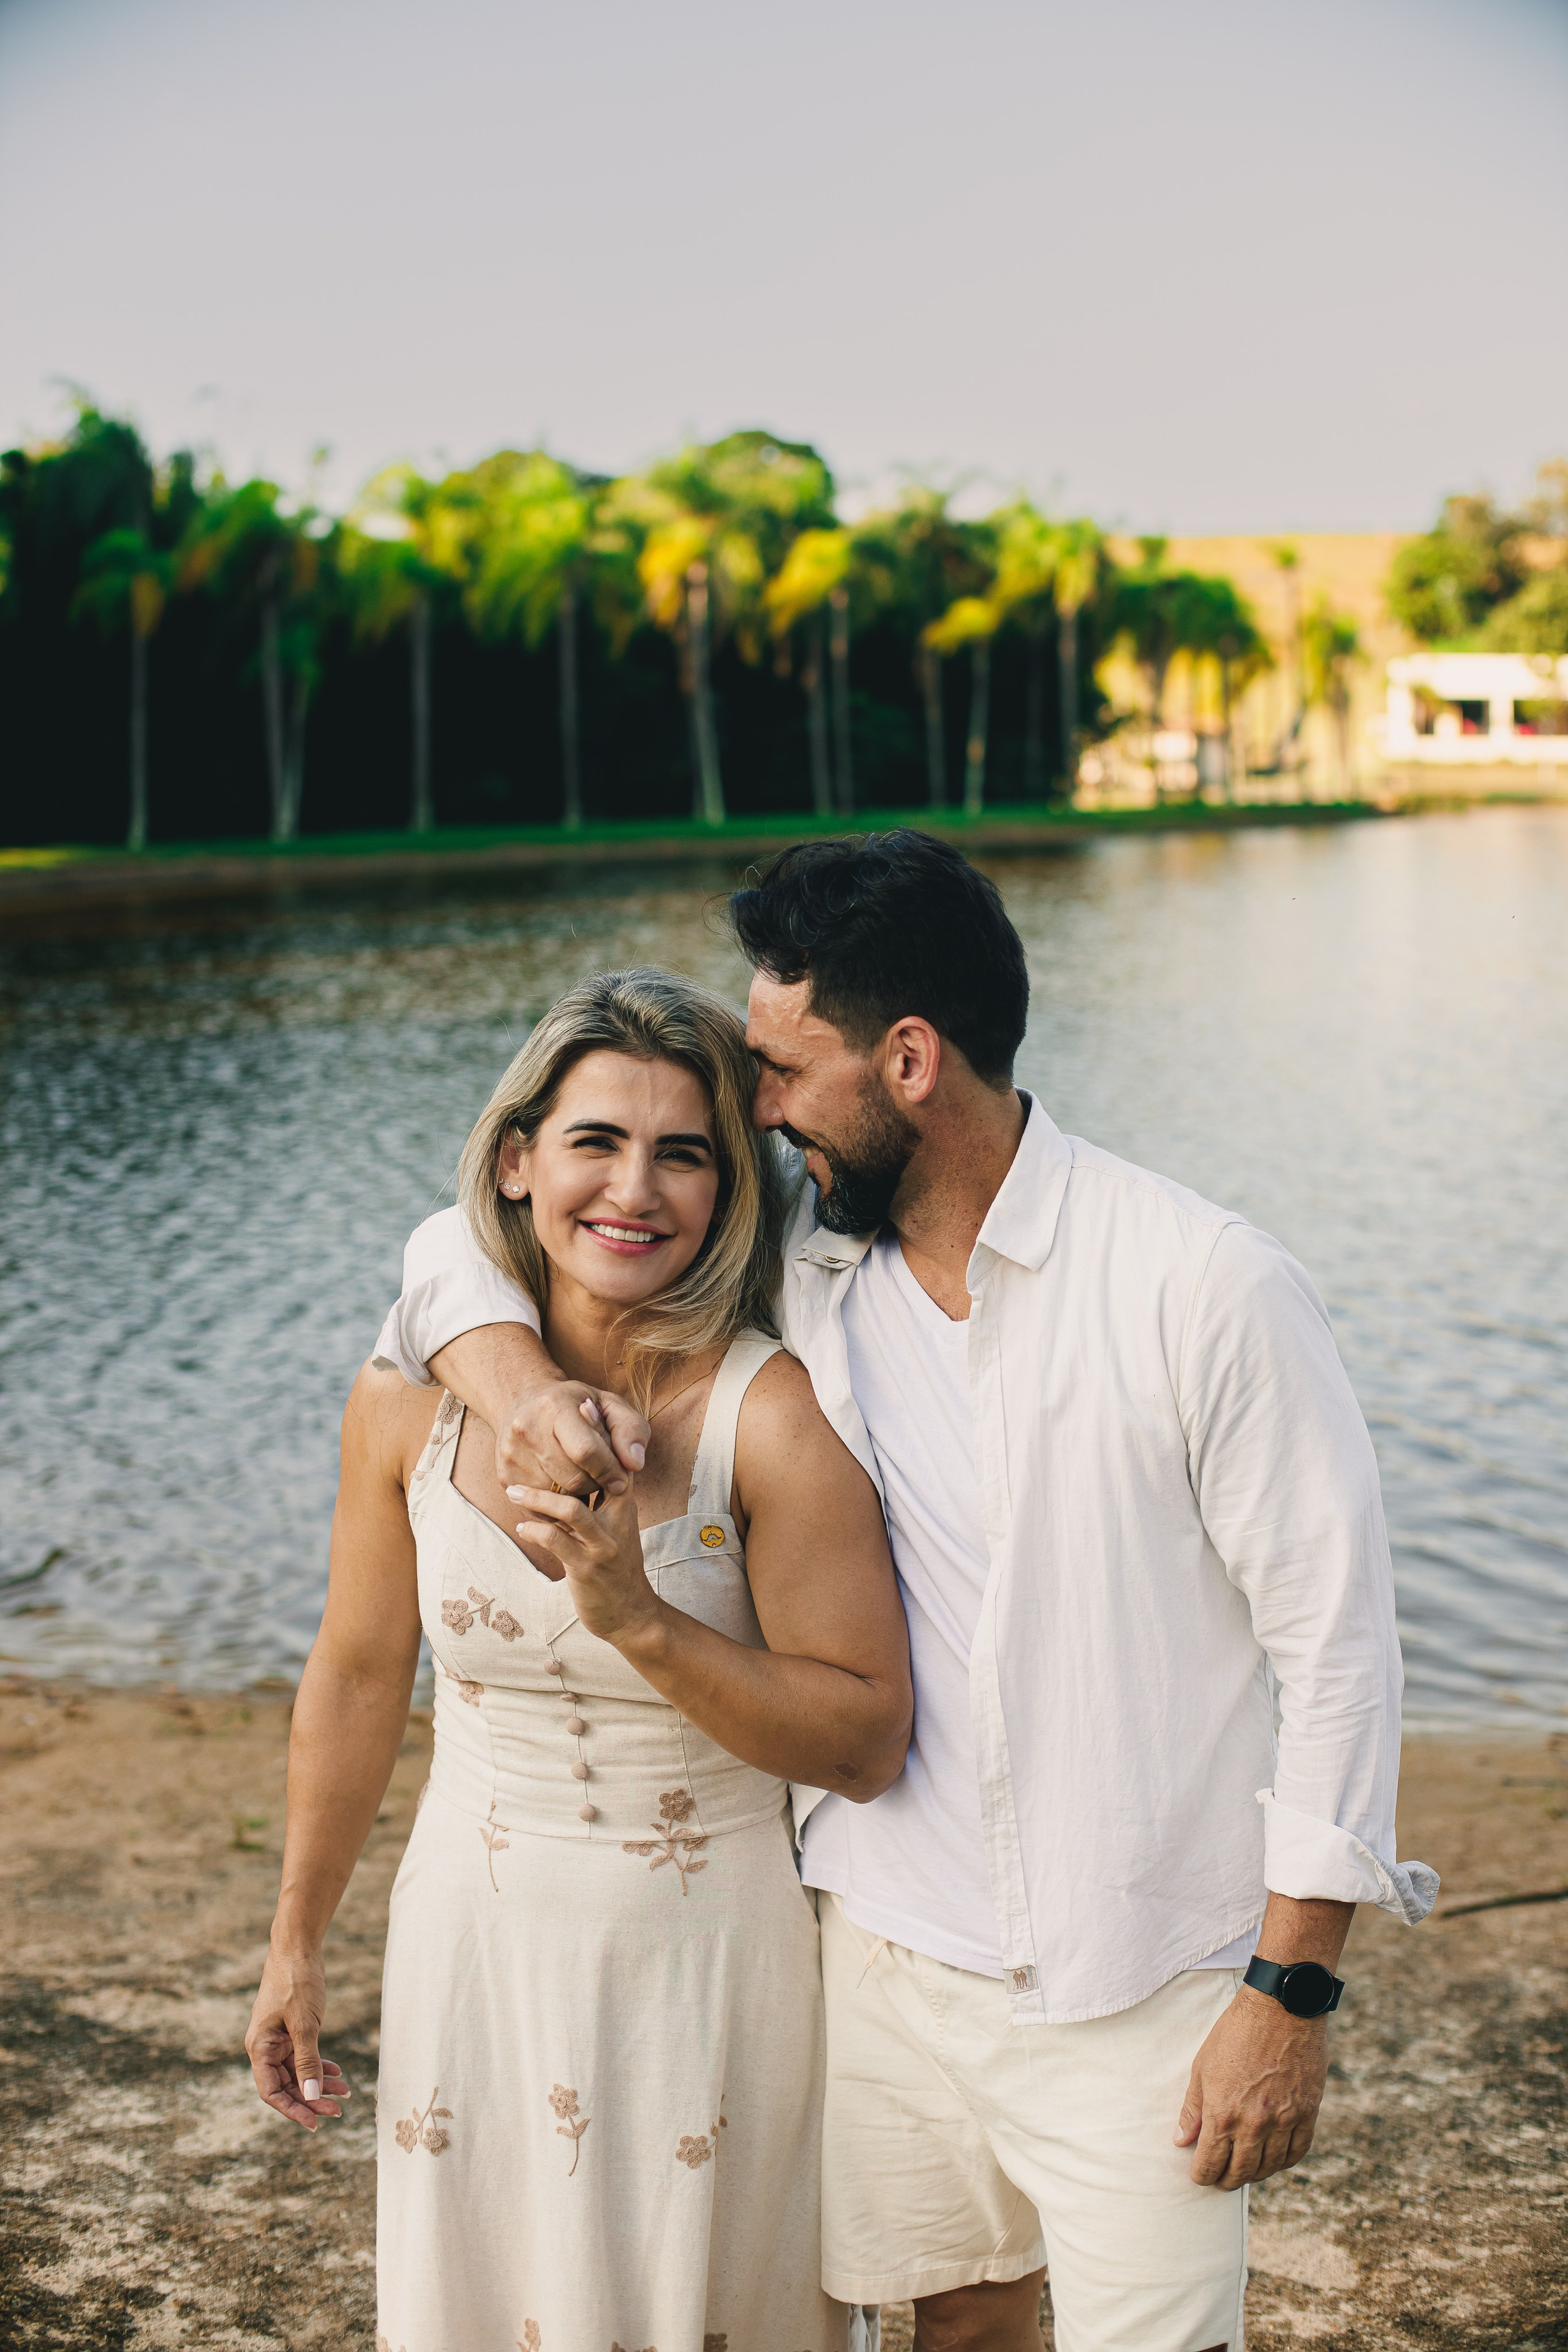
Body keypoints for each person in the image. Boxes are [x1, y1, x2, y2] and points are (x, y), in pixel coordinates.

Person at [374, 831, 1438, 2352]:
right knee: (950, 2328)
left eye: (783, 1069)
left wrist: (1289, 1993)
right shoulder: (810, 1268)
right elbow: (445, 1253)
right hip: (878, 1964)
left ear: (912, 1062)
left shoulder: (1200, 1284)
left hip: (1139, 1983)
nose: (755, 1109)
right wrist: (528, 1385)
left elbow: (1336, 1651)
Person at [245, 969, 913, 2352]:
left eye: (685, 1155)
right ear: (515, 1162)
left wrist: (640, 1622)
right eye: (595, 1142)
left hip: (702, 1968)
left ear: (731, 1192)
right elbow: (361, 1674)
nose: (636, 1190)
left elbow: (862, 1738)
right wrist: (297, 1943)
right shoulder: (406, 1401)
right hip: (468, 1944)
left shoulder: (769, 1420)